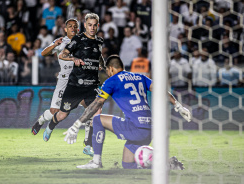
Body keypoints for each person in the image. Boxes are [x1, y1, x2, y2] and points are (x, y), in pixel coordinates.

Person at [63, 55, 192, 169]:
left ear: (111, 69)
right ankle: (165, 164)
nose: (107, 73)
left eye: (107, 70)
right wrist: (179, 106)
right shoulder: (140, 77)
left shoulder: (111, 81)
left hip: (135, 128)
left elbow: (96, 104)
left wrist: (77, 124)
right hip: (149, 129)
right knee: (128, 165)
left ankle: (96, 162)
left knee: (97, 120)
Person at [41, 13, 105, 155]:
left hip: (92, 86)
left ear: (98, 26)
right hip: (76, 85)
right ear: (85, 25)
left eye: (95, 25)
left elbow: (98, 56)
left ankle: (88, 145)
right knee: (62, 115)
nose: (92, 27)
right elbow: (63, 55)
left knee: (96, 113)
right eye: (89, 25)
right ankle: (51, 125)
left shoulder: (99, 42)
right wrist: (74, 59)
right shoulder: (77, 39)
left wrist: (101, 64)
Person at [31, 18, 93, 155]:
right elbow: (43, 53)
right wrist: (54, 45)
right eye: (70, 26)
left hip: (79, 82)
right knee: (56, 112)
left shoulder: (83, 41)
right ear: (65, 29)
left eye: (75, 26)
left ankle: (88, 144)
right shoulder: (61, 41)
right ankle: (41, 120)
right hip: (64, 81)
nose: (72, 28)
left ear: (78, 29)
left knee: (91, 110)